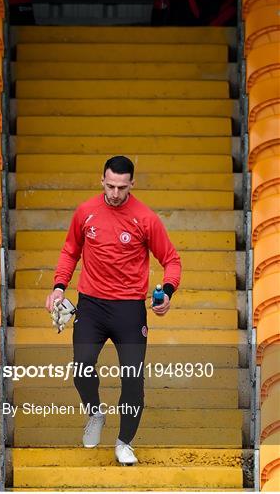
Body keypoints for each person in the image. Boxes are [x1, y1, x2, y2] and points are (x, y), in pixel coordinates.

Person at [45, 155, 181, 465]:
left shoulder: (145, 218)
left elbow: (171, 260)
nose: (115, 193)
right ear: (101, 181)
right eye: (110, 186)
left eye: (122, 187)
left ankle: (124, 443)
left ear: (132, 183)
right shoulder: (86, 212)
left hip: (129, 310)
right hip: (91, 306)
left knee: (133, 379)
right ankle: (95, 413)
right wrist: (58, 287)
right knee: (81, 368)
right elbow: (70, 252)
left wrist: (168, 291)